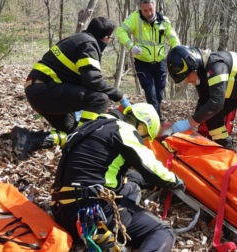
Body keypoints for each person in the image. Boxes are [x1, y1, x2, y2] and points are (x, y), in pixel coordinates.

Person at [50, 103, 184, 251]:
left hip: (61, 211)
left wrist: (151, 184)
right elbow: (152, 169)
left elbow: (124, 174)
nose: (143, 141)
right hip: (89, 211)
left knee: (132, 188)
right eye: (144, 138)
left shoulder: (92, 126)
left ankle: (112, 234)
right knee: (163, 232)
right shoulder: (124, 130)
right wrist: (176, 181)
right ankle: (108, 229)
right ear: (141, 127)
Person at [11, 17, 131, 160]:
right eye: (109, 39)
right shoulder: (89, 44)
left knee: (72, 131)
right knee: (100, 99)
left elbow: (82, 81)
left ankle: (28, 138)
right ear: (105, 38)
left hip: (39, 92)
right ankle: (83, 146)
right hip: (44, 91)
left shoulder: (76, 39)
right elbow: (93, 81)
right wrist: (120, 96)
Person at [166, 45, 237, 157]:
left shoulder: (216, 66)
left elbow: (216, 103)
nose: (187, 81)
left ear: (194, 66)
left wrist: (188, 123)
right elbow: (204, 101)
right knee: (212, 118)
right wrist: (192, 123)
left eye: (186, 77)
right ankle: (227, 153)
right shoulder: (201, 73)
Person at [116, 0, 180, 121]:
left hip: (160, 63)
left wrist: (178, 50)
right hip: (142, 63)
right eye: (145, 10)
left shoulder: (163, 20)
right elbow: (120, 31)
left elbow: (173, 38)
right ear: (140, 9)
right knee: (150, 93)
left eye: (151, 9)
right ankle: (157, 120)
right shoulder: (135, 18)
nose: (149, 13)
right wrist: (131, 46)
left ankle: (154, 116)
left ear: (154, 6)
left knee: (159, 94)